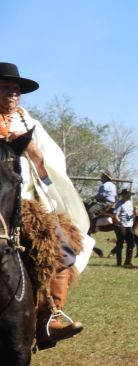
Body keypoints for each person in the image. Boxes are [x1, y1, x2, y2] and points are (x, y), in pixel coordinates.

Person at [0, 63, 89, 348]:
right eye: (6, 88)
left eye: (16, 90)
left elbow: (51, 167)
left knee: (61, 245)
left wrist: (33, 152)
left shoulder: (31, 125)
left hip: (27, 202)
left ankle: (48, 321)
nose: (13, 94)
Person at [113, 189, 136, 266]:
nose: (129, 197)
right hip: (121, 226)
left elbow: (130, 214)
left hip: (129, 226)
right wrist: (122, 227)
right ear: (123, 196)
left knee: (131, 243)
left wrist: (134, 214)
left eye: (129, 196)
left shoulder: (130, 203)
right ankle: (119, 263)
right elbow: (115, 216)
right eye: (127, 196)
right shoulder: (119, 204)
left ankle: (128, 261)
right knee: (120, 244)